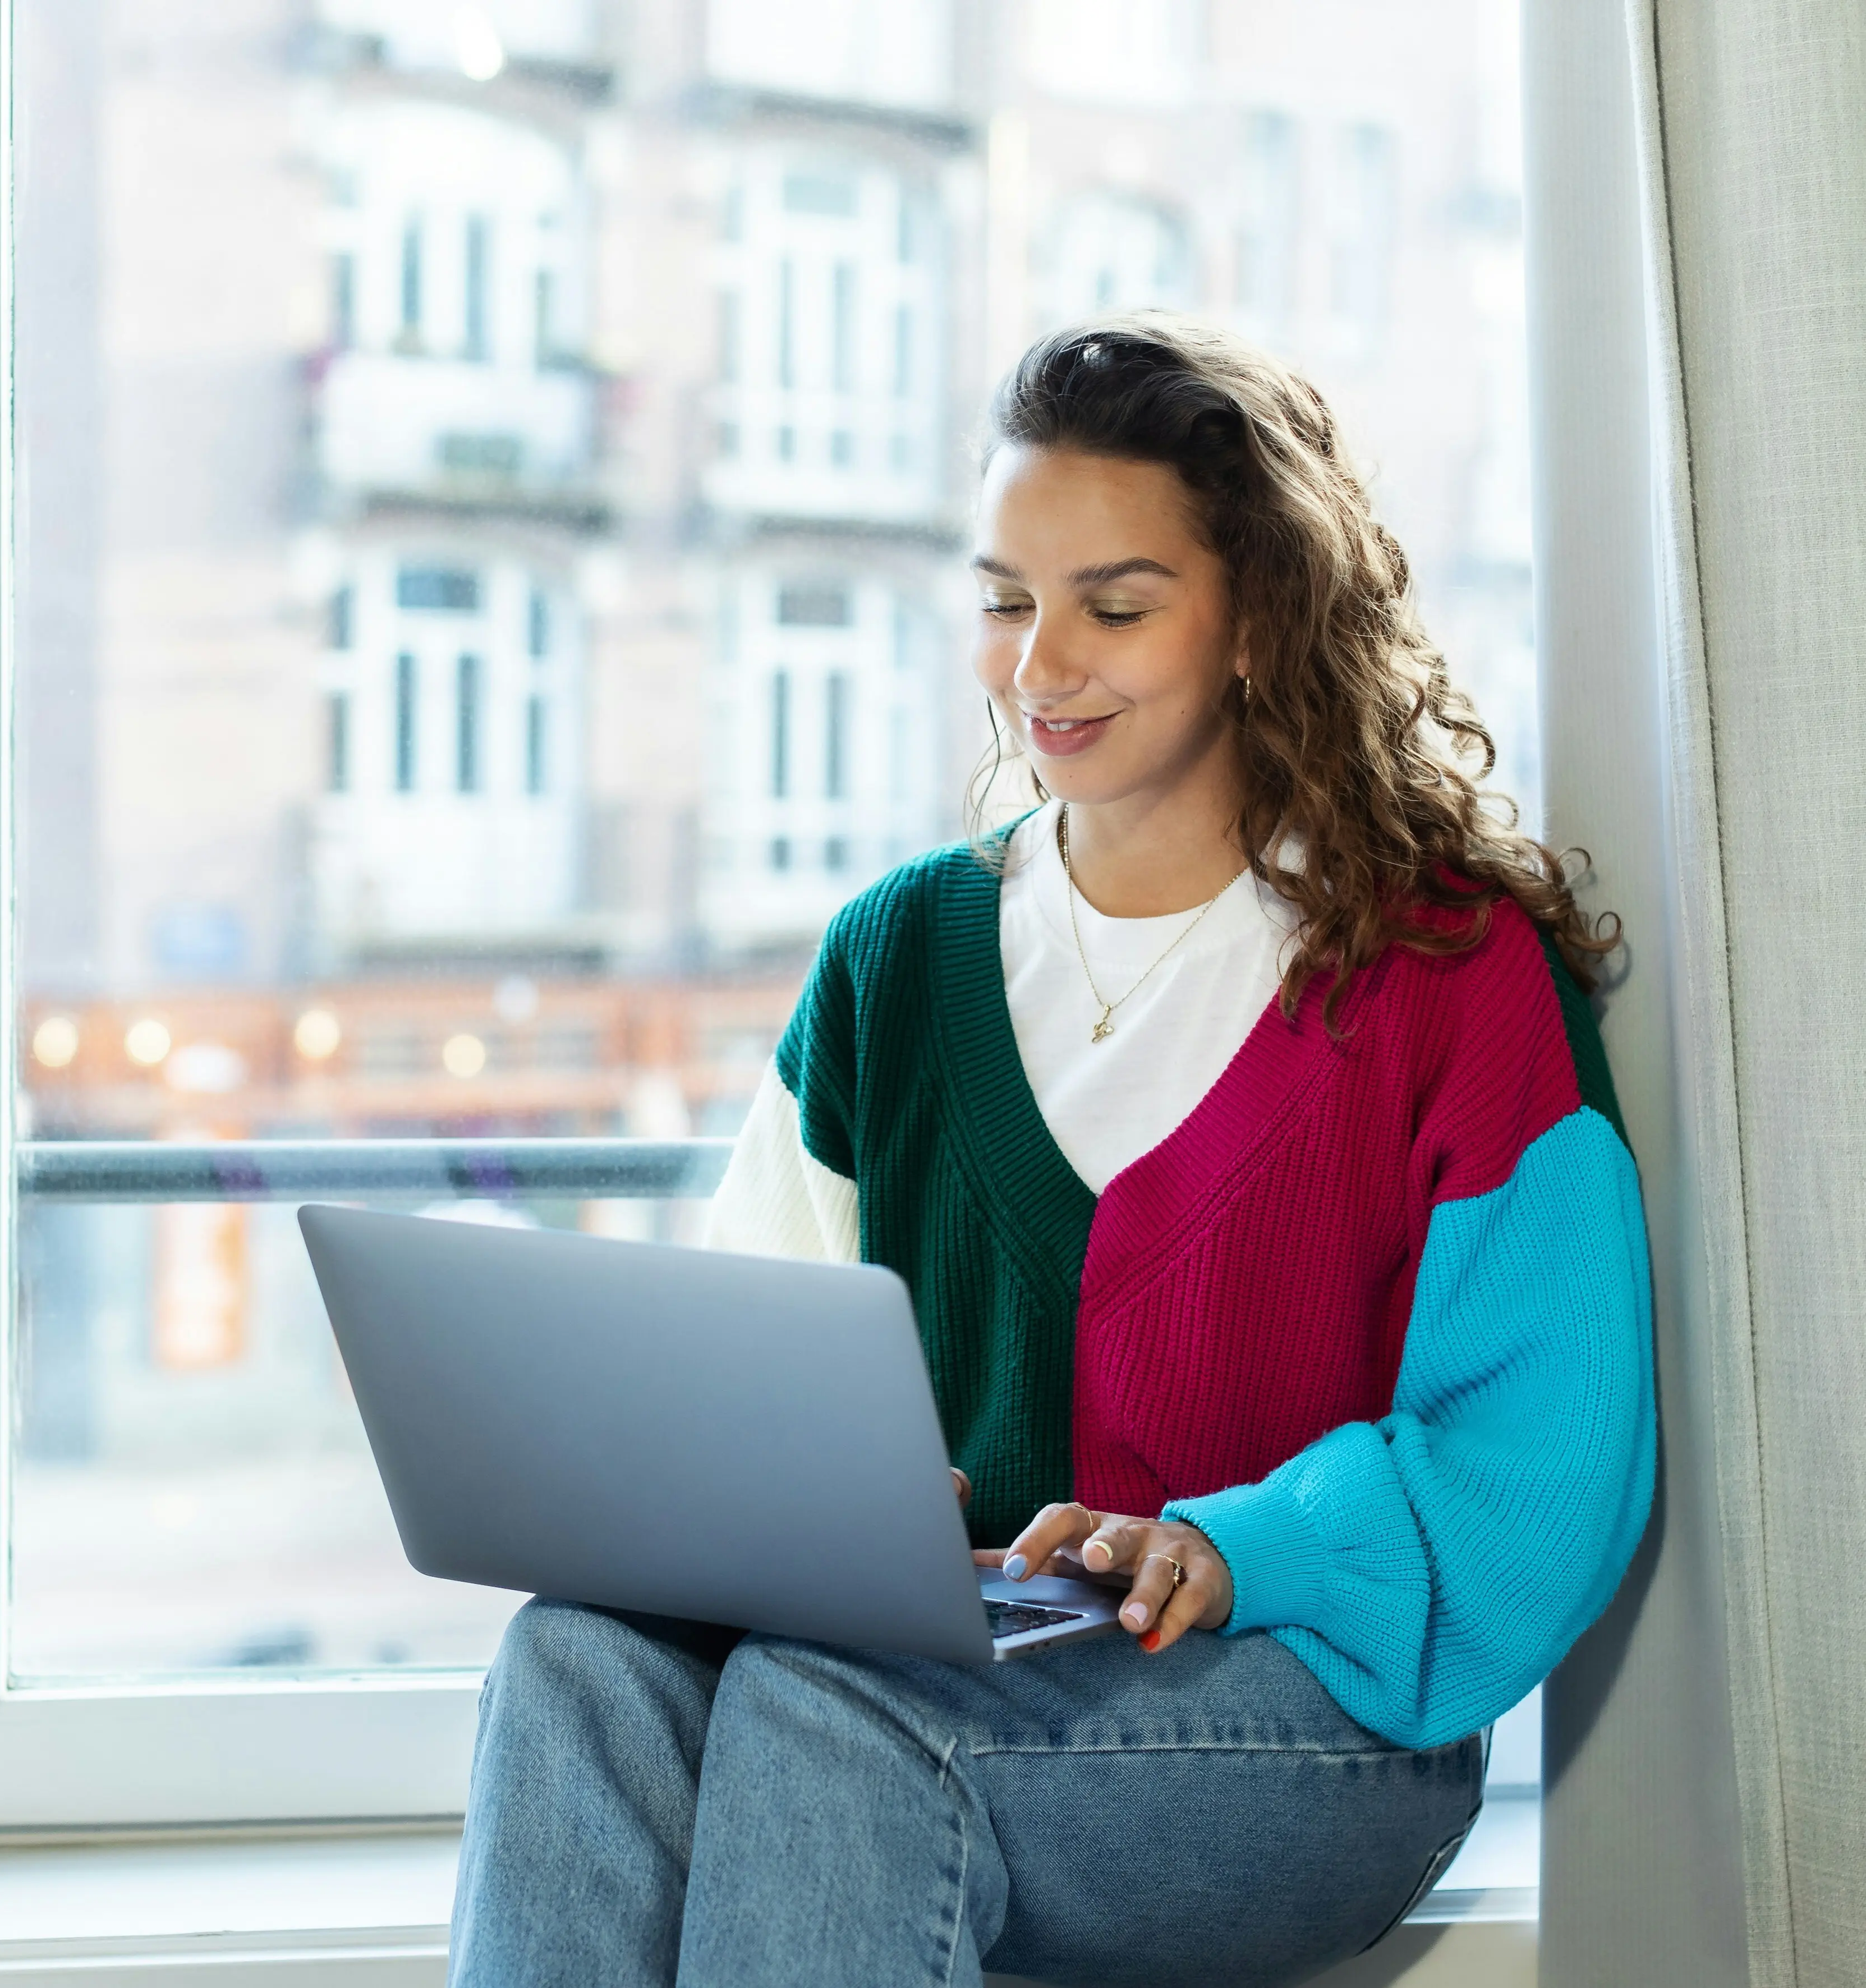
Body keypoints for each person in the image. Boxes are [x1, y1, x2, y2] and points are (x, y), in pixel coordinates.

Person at [447, 316, 1654, 1988]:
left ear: (1258, 618)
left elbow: (1543, 1454)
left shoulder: (1446, 973)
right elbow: (746, 1368)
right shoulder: (891, 958)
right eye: (1007, 599)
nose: (1040, 663)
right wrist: (822, 1500)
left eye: (1115, 605)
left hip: (1314, 1715)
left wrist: (1240, 1543)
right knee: (575, 1664)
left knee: (825, 1714)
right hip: (942, 1657)